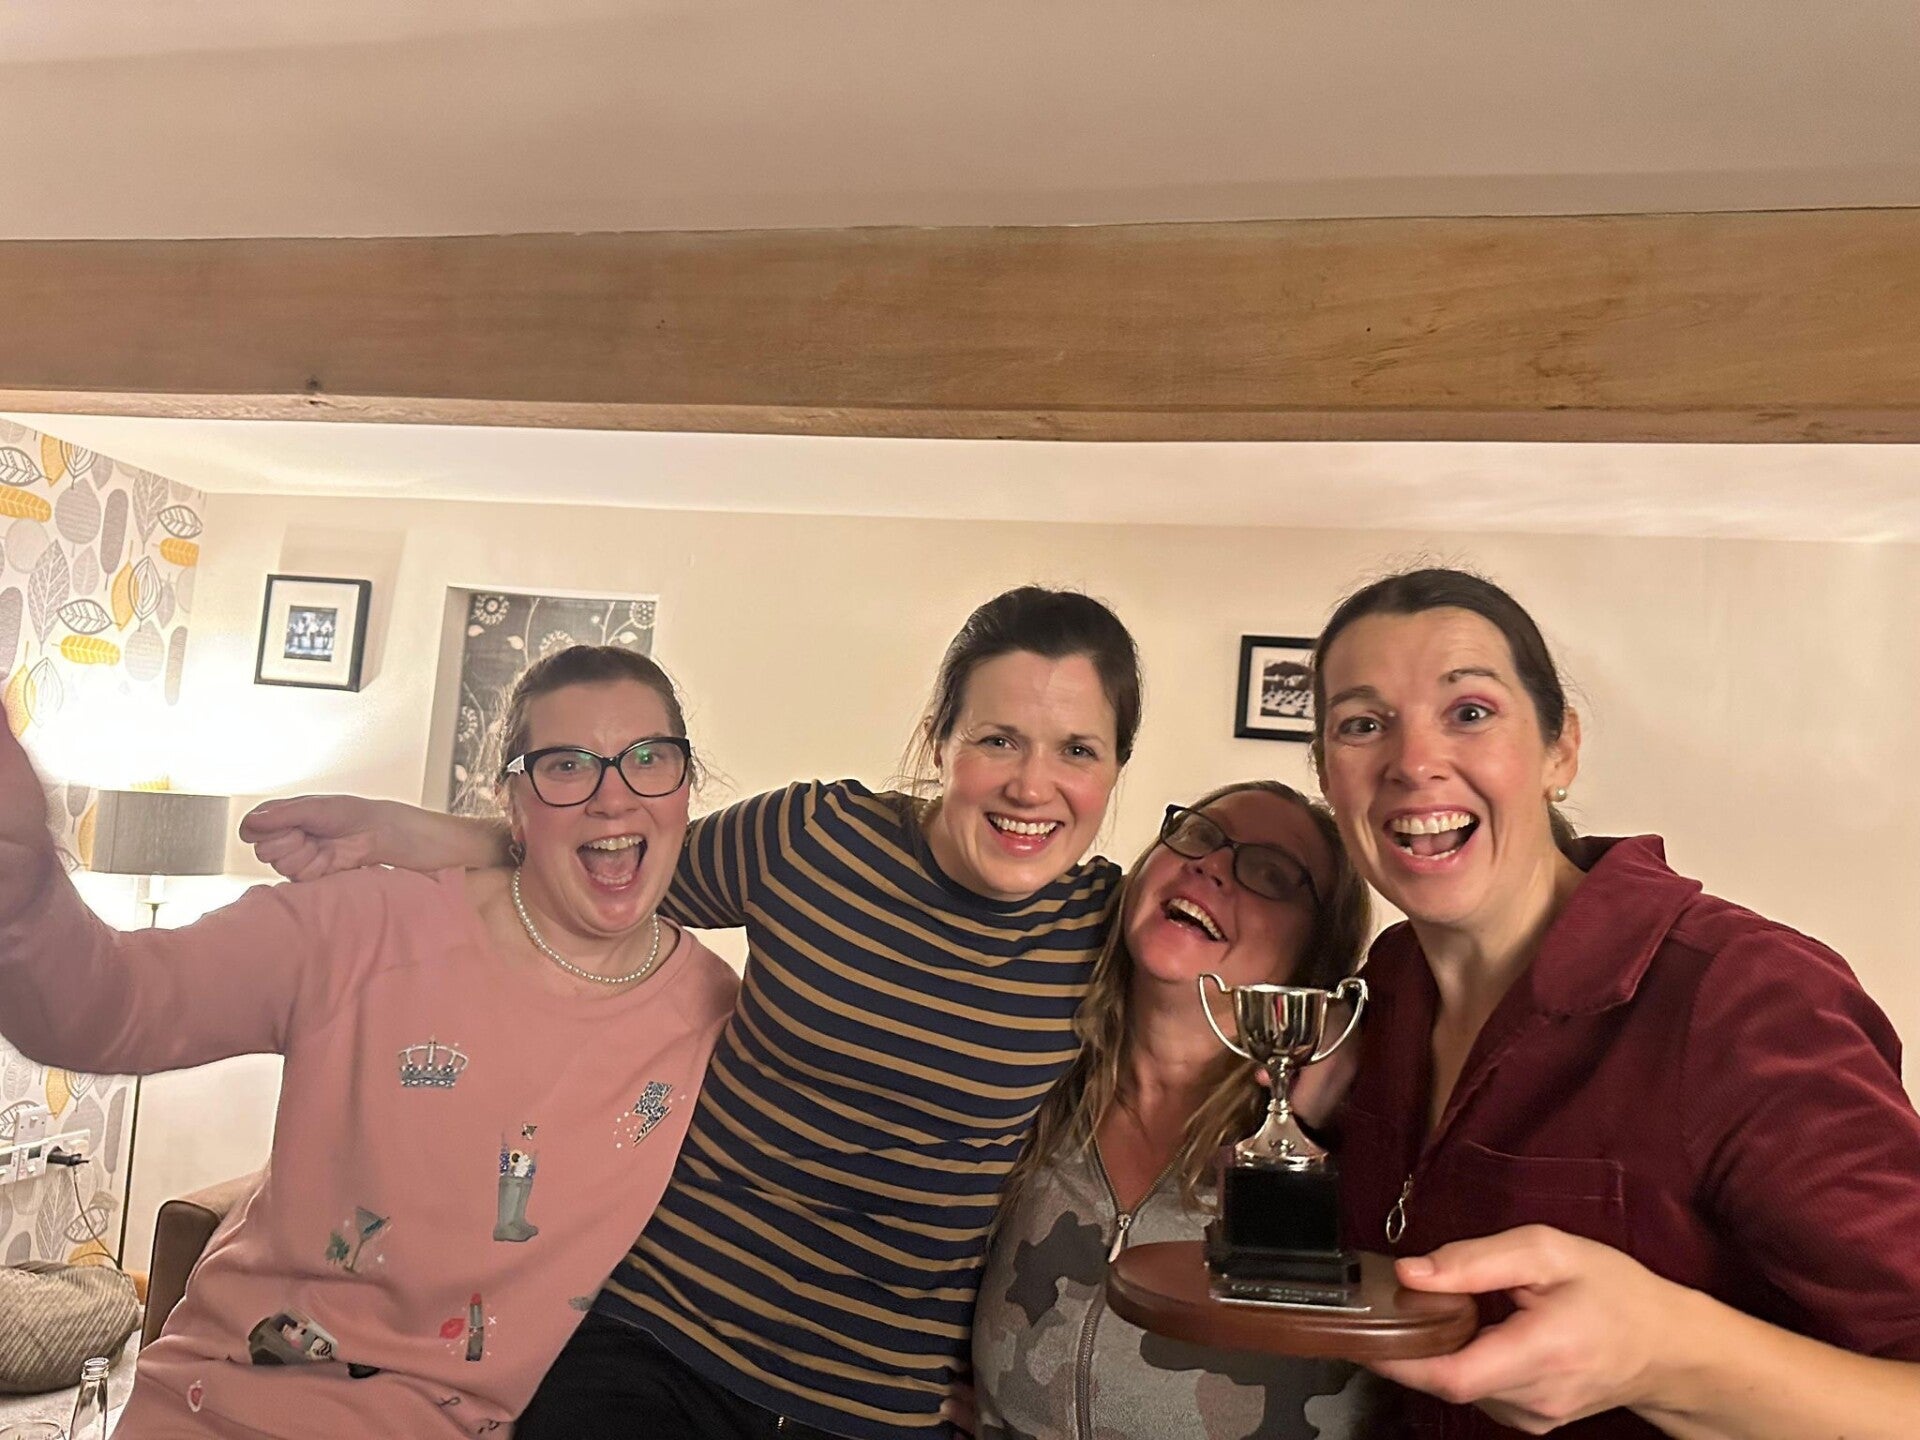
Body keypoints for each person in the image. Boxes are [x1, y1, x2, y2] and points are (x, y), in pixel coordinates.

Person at [240, 586, 1142, 1439]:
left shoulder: (1110, 932)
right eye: (998, 740)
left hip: (876, 1401)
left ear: (1114, 770)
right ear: (939, 739)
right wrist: (401, 833)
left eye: (1077, 751)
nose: (1033, 786)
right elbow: (602, 857)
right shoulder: (813, 837)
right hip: (659, 1339)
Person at [0, 645, 739, 1437]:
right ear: (512, 802)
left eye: (649, 758)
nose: (614, 798)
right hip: (220, 1408)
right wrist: (21, 876)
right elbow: (107, 1007)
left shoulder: (712, 1016)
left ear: (686, 785)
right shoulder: (364, 926)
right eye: (566, 766)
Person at [1309, 567, 1920, 1437]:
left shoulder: (1746, 997)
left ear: (1560, 750)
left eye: (1470, 712)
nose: (1412, 763)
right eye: (1363, 725)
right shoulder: (1391, 983)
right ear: (1328, 777)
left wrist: (1667, 1357)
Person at [972, 780, 1396, 1439]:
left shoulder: (1350, 1135)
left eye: (1269, 872)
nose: (1212, 865)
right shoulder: (1028, 1087)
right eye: (1198, 834)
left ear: (1316, 953)